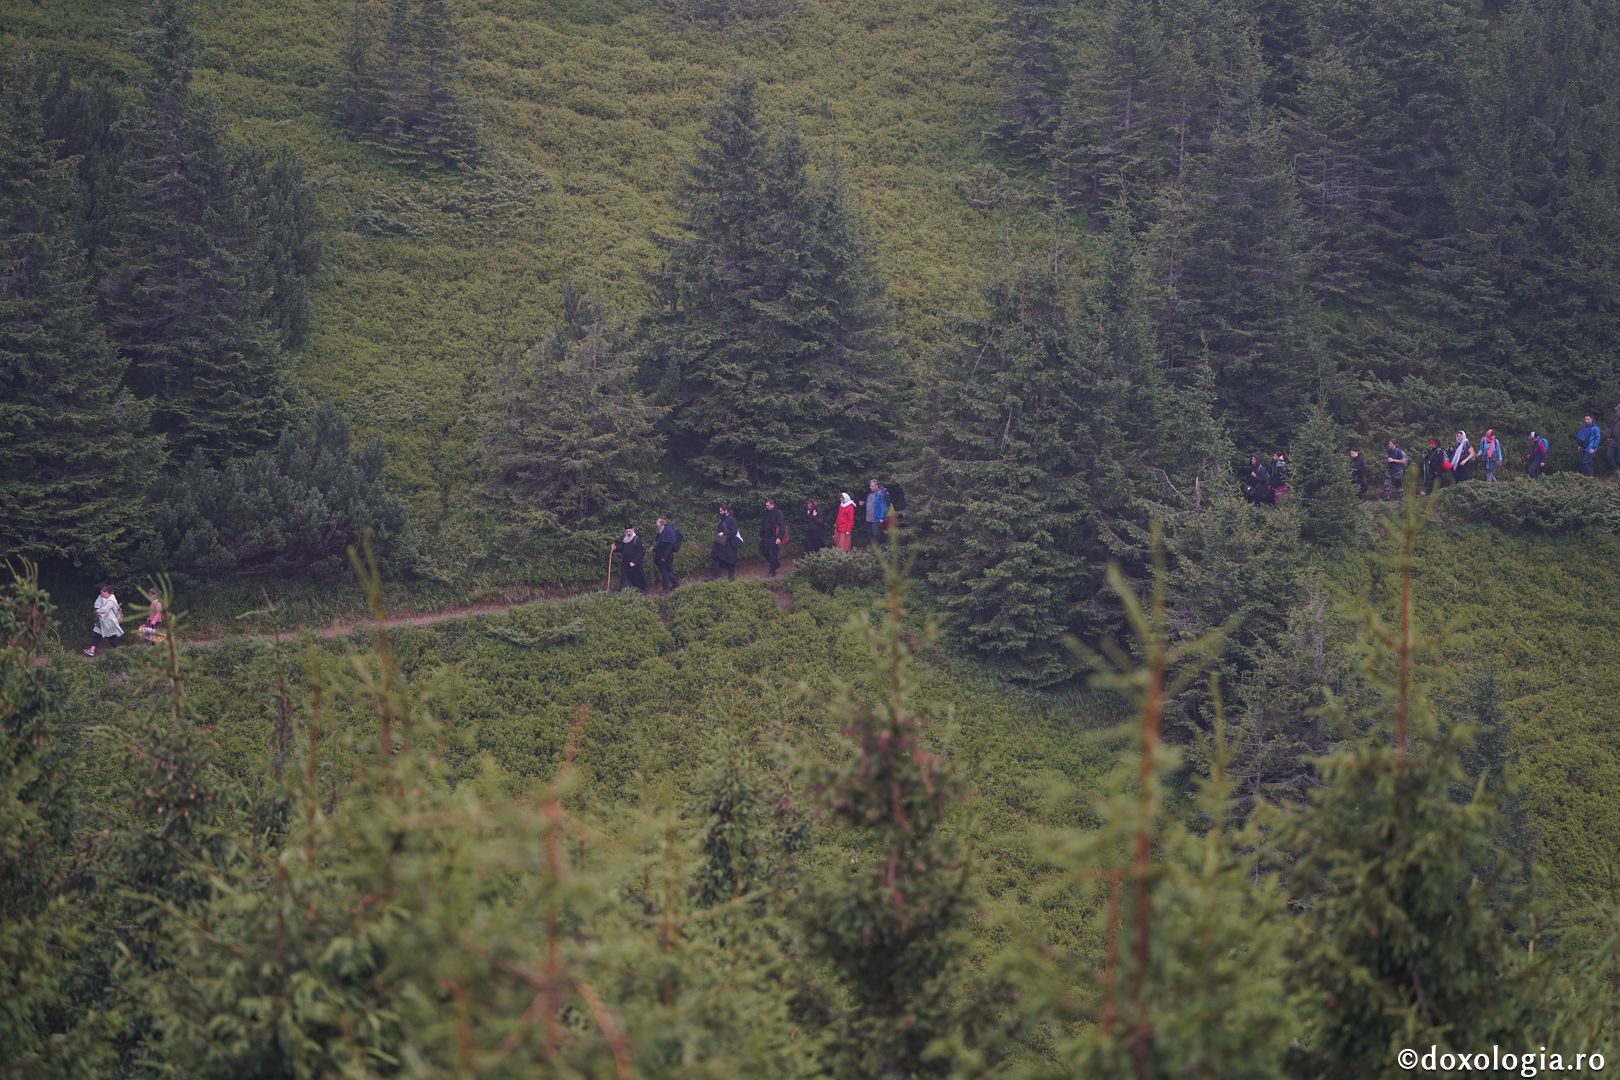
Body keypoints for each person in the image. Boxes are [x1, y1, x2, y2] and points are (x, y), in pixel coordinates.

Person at [82, 585, 122, 658]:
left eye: (103, 593)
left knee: (111, 636)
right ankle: (92, 650)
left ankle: (120, 651)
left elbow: (105, 609)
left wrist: (97, 611)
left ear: (107, 592)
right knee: (97, 633)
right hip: (103, 620)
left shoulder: (111, 600)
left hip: (109, 622)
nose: (102, 595)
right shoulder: (108, 598)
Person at [708, 505, 741, 581]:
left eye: (721, 511)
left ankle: (731, 576)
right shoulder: (722, 519)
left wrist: (724, 533)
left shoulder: (732, 519)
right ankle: (713, 575)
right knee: (717, 558)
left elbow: (734, 531)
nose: (720, 512)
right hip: (722, 543)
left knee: (730, 560)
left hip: (729, 544)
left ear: (726, 511)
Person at [614, 525, 647, 593]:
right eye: (627, 532)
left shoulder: (636, 539)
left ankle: (641, 593)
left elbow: (640, 551)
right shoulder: (624, 539)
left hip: (634, 563)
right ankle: (624, 593)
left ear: (633, 530)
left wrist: (634, 562)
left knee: (637, 579)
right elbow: (621, 548)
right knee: (624, 578)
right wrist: (615, 548)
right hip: (625, 563)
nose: (628, 533)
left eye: (629, 531)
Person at [759, 498, 787, 577]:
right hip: (765, 536)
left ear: (772, 505)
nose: (766, 507)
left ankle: (772, 571)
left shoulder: (778, 512)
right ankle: (776, 564)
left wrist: (779, 538)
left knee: (773, 554)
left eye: (768, 505)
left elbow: (782, 526)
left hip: (774, 537)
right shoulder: (766, 512)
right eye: (766, 505)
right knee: (763, 551)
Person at [653, 517, 681, 594]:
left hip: (666, 556)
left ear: (662, 525)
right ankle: (675, 583)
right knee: (666, 572)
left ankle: (666, 589)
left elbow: (670, 546)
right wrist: (654, 548)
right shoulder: (662, 531)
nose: (657, 527)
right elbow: (661, 543)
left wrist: (664, 557)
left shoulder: (668, 531)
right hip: (661, 555)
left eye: (658, 526)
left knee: (664, 572)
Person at [862, 479, 890, 544]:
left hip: (876, 518)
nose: (870, 487)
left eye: (872, 486)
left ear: (876, 486)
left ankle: (886, 543)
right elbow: (871, 503)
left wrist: (882, 518)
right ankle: (874, 549)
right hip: (869, 518)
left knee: (876, 533)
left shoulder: (881, 494)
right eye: (870, 486)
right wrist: (864, 503)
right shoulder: (871, 494)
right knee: (870, 534)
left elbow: (884, 506)